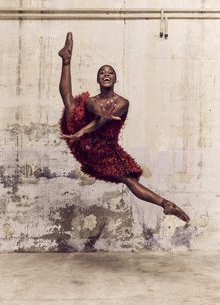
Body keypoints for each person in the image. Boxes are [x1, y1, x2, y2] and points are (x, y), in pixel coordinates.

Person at [59, 32, 190, 223]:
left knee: (129, 180)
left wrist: (92, 124)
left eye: (110, 72)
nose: (106, 74)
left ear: (115, 79)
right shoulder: (92, 101)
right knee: (71, 103)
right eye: (102, 73)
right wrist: (95, 116)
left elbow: (100, 123)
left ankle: (166, 204)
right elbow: (92, 107)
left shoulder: (122, 102)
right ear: (98, 80)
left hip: (103, 150)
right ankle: (66, 60)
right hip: (82, 142)